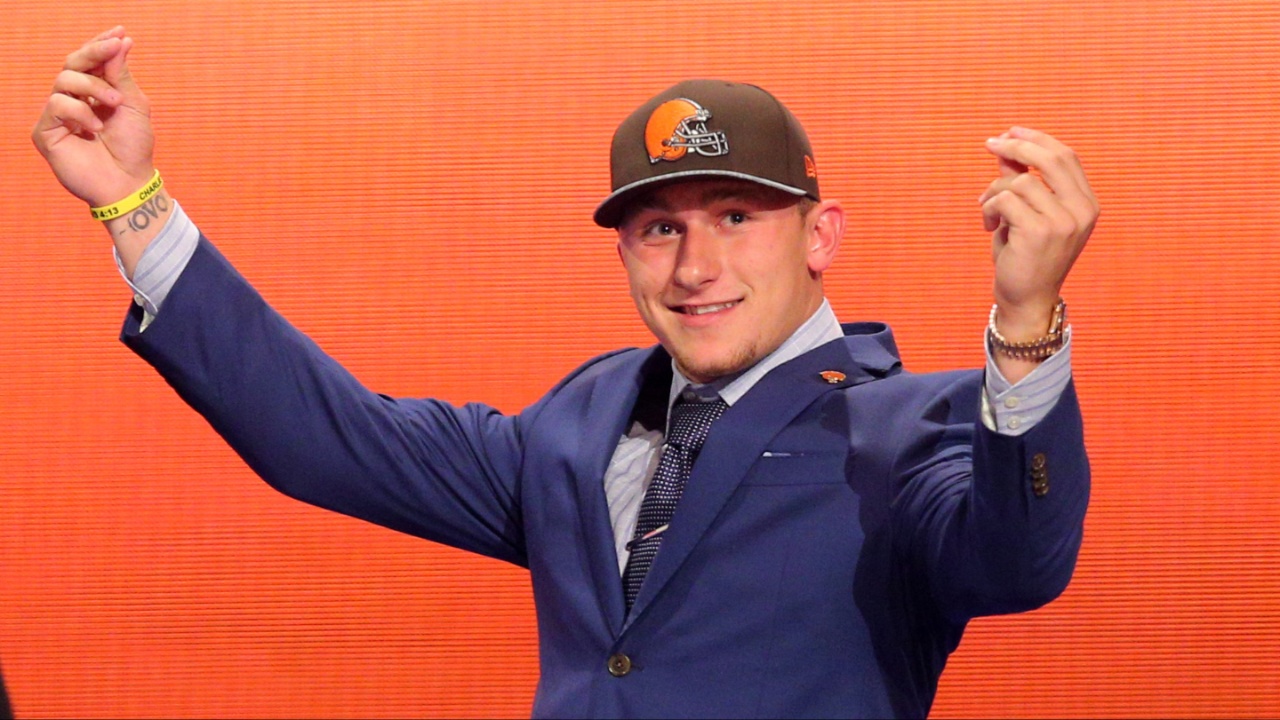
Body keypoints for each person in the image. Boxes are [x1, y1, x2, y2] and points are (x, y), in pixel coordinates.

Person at [34, 27, 1096, 719]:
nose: (695, 266)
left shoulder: (914, 426)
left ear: (821, 234)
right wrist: (136, 208)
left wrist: (1023, 321)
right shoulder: (578, 424)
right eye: (655, 228)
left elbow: (1017, 564)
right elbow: (328, 438)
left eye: (735, 217)